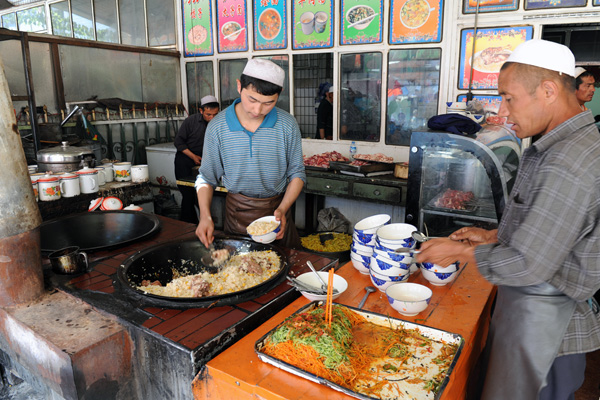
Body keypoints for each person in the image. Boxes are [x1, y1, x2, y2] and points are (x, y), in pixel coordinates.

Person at [416, 39, 600, 399]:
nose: (504, 110)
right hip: (532, 316)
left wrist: (459, 254)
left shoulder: (568, 161)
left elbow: (531, 264)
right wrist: (494, 236)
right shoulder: (558, 144)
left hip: (548, 331)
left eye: (509, 98)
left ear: (548, 90)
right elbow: (555, 230)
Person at [194, 59, 305, 249]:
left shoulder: (287, 125)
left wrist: (282, 209)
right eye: (252, 99)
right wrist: (205, 216)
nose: (258, 110)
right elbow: (205, 178)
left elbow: (297, 173)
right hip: (237, 213)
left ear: (279, 95)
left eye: (268, 103)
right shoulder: (217, 127)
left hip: (277, 214)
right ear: (239, 86)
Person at [174, 95, 220, 224]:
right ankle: (188, 225)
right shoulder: (191, 121)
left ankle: (203, 223)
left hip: (204, 161)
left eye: (215, 114)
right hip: (185, 160)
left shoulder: (220, 124)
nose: (212, 118)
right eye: (208, 114)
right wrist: (193, 157)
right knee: (187, 194)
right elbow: (178, 142)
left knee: (200, 195)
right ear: (201, 111)